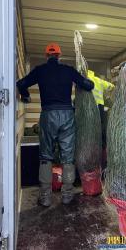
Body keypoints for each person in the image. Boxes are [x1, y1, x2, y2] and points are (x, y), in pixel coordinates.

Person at [17, 43, 94, 207]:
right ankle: (67, 195)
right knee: (67, 157)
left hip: (48, 115)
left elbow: (21, 83)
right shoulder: (68, 70)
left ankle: (45, 198)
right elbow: (88, 85)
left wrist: (25, 97)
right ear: (59, 55)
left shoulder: (40, 70)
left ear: (47, 56)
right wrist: (83, 82)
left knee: (45, 157)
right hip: (67, 115)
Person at [87, 70, 114, 168]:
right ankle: (103, 163)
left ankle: (92, 162)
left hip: (89, 108)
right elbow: (111, 86)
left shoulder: (83, 80)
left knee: (91, 133)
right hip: (100, 107)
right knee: (101, 132)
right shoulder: (98, 80)